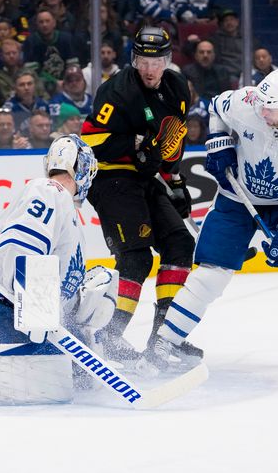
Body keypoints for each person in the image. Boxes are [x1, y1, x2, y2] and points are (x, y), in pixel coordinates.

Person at [139, 68, 278, 378]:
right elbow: (216, 108)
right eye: (261, 104)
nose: (262, 112)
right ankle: (165, 341)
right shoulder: (248, 101)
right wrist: (219, 140)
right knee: (210, 276)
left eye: (272, 108)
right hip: (237, 199)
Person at [80, 26, 198, 363]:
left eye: (156, 60)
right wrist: (133, 143)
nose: (149, 68)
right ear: (134, 59)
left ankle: (164, 339)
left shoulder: (177, 87)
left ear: (167, 60)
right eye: (143, 60)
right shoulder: (116, 90)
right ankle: (107, 337)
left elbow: (173, 139)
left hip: (146, 179)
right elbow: (89, 142)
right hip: (111, 177)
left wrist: (174, 180)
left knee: (179, 244)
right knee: (137, 257)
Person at [0, 134, 109, 348]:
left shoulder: (66, 209)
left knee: (70, 374)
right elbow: (20, 242)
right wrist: (36, 310)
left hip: (18, 309)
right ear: (81, 167)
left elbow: (56, 289)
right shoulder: (48, 190)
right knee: (18, 373)